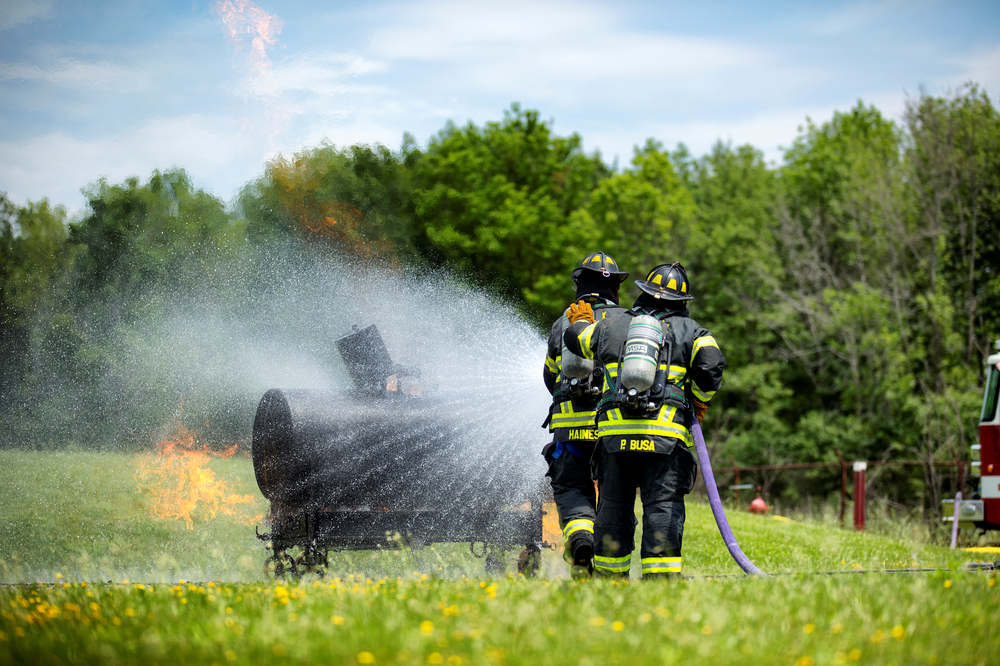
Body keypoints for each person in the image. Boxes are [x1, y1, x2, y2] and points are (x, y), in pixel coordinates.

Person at [562, 262, 724, 579]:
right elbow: (711, 363)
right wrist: (699, 400)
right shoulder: (694, 332)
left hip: (614, 440)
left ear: (644, 293)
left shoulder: (612, 325)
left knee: (612, 509)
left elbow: (576, 342)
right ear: (682, 302)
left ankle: (609, 581)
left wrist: (582, 322)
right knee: (663, 508)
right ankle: (659, 582)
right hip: (664, 439)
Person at [542, 251, 628, 575]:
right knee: (613, 492)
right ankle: (610, 563)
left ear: (580, 284)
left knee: (572, 487)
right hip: (610, 427)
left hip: (569, 428)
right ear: (615, 288)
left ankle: (580, 537)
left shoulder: (562, 322)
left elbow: (551, 377)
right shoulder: (624, 322)